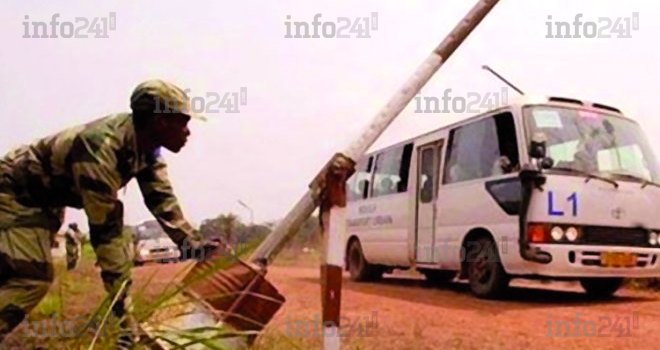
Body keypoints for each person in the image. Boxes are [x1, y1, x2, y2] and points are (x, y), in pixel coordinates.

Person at [0, 79, 220, 348]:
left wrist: (192, 244)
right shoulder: (100, 150)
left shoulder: (147, 149)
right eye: (183, 122)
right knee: (30, 278)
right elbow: (107, 235)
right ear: (160, 122)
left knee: (10, 271)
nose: (187, 132)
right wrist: (125, 320)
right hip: (14, 193)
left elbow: (162, 200)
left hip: (46, 200)